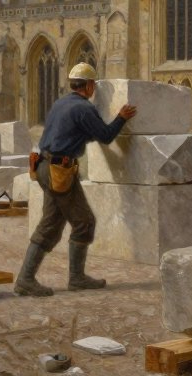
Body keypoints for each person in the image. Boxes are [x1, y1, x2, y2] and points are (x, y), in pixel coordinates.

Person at [15, 63, 137, 297]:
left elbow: (76, 133)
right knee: (85, 222)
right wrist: (121, 117)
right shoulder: (84, 109)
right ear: (90, 86)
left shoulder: (61, 103)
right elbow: (106, 136)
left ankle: (26, 278)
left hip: (42, 166)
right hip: (58, 171)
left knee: (51, 224)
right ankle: (75, 278)